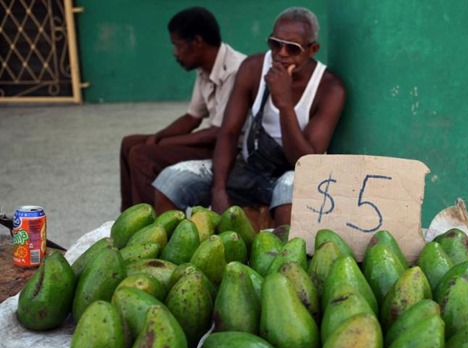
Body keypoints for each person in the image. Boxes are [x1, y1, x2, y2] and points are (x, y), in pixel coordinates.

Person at [152, 7, 346, 226]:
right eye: (275, 44)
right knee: (171, 182)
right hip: (249, 166)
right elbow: (229, 132)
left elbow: (304, 161)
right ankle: (174, 251)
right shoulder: (253, 68)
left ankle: (281, 258)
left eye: (292, 48)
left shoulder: (329, 89)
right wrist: (219, 189)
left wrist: (285, 105)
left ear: (313, 49)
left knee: (288, 204)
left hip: (291, 171)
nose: (281, 53)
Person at [119, 6, 246, 211]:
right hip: (213, 140)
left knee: (141, 154)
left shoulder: (235, 70)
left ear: (197, 42)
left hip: (230, 150)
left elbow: (218, 133)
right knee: (129, 143)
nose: (175, 53)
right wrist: (159, 136)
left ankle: (149, 226)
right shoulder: (205, 68)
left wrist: (163, 142)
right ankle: (127, 214)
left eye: (177, 46)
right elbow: (192, 118)